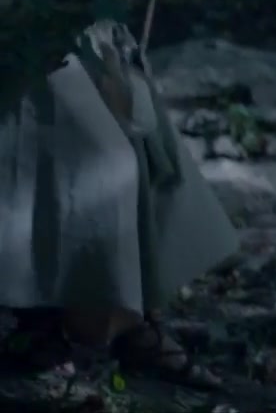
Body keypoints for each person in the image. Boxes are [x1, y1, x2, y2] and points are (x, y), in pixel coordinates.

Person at [0, 21, 237, 389]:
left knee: (130, 143)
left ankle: (135, 327)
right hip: (30, 36)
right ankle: (42, 323)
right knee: (81, 157)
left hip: (80, 30)